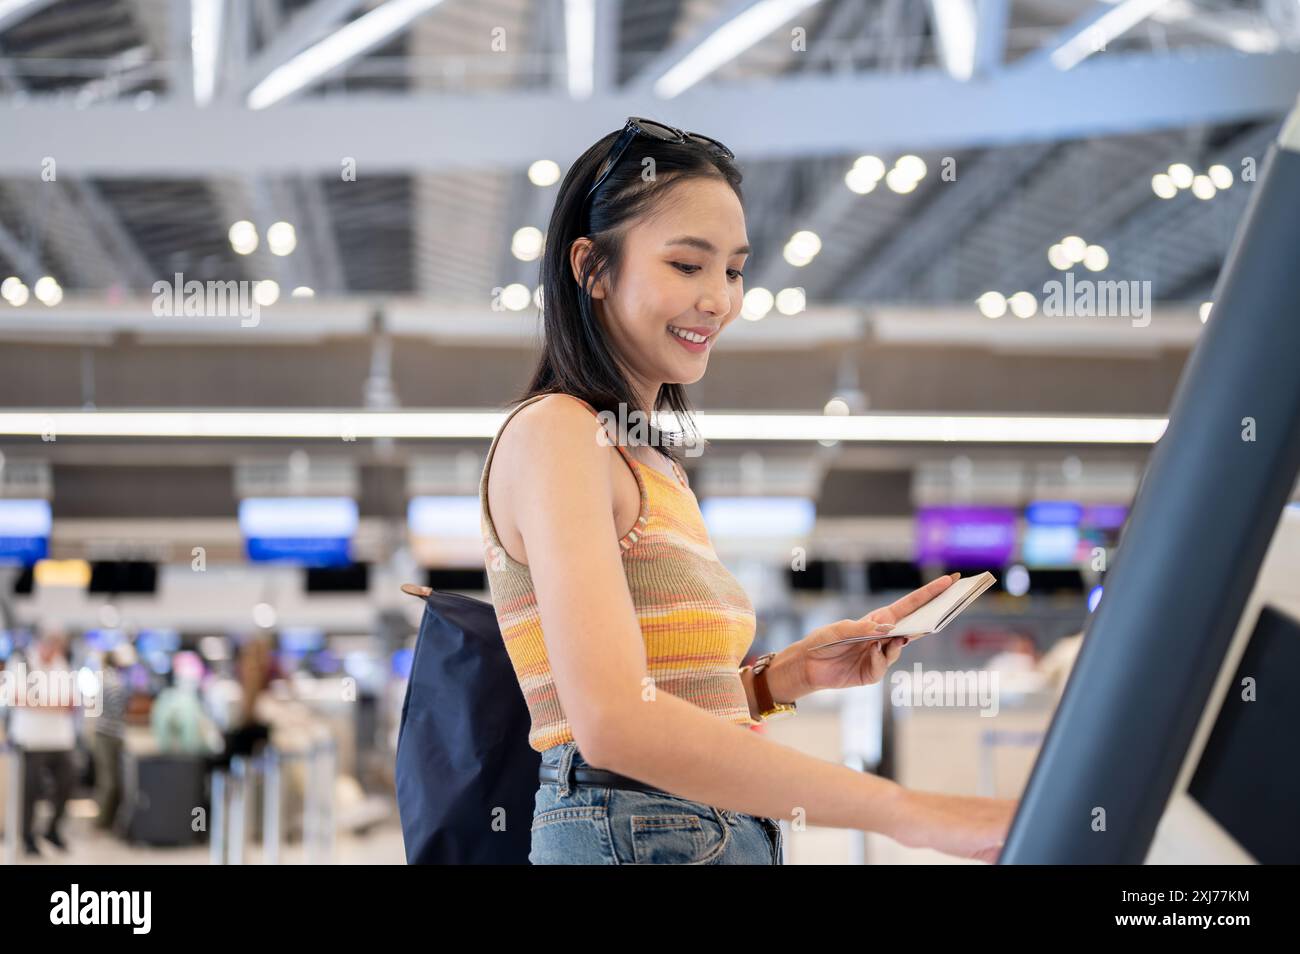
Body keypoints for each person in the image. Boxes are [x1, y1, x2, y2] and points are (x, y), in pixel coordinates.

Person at [480, 116, 1016, 865]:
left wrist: (783, 677)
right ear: (593, 267)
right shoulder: (558, 434)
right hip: (636, 831)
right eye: (687, 265)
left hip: (685, 831)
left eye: (732, 270)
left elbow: (656, 696)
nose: (719, 300)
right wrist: (904, 811)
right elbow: (610, 723)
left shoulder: (647, 462)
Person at [9, 630, 77, 856]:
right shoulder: (22, 662)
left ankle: (52, 829)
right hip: (31, 740)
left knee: (67, 783)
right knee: (30, 790)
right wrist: (51, 705)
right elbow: (17, 698)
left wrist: (41, 703)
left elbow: (70, 703)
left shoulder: (61, 664)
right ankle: (27, 837)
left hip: (60, 739)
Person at [90, 643, 134, 832]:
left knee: (109, 780)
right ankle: (102, 822)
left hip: (106, 734)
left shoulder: (104, 679)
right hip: (108, 736)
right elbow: (120, 711)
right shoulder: (113, 682)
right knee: (109, 782)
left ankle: (107, 820)